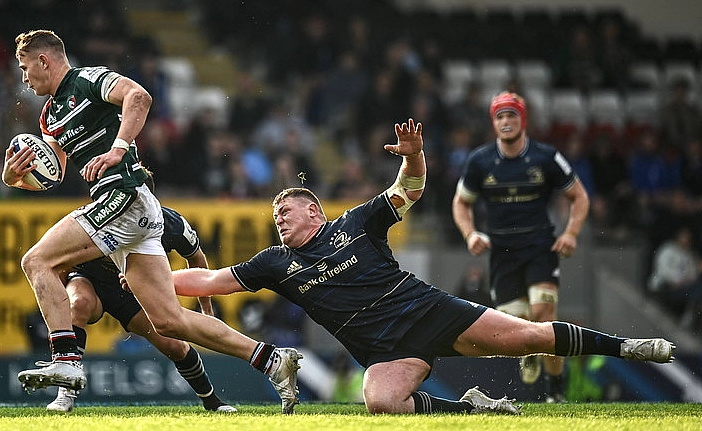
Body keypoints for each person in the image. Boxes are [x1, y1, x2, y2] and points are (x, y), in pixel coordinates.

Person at [154, 118, 674, 415]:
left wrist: (414, 156)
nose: (278, 219)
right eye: (274, 215)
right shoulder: (276, 262)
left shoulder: (355, 223)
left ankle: (630, 346)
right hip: (384, 351)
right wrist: (144, 277)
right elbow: (207, 280)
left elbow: (411, 190)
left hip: (429, 312)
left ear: (313, 209)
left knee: (529, 336)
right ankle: (473, 410)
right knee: (380, 402)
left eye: (284, 211)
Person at [0, 30, 301, 414]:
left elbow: (138, 96)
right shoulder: (51, 116)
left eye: (26, 68)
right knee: (171, 322)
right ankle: (272, 360)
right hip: (129, 211)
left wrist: (118, 149)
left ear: (44, 60)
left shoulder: (88, 79)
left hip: (123, 197)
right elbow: (53, 172)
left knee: (37, 261)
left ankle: (66, 362)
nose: (24, 78)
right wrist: (13, 177)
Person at [451, 92, 591, 403]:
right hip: (502, 254)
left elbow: (579, 196)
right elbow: (461, 202)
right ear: (493, 122)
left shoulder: (546, 157)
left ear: (523, 120)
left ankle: (555, 390)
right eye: (500, 116)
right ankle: (529, 353)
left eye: (512, 115)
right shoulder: (480, 161)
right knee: (514, 329)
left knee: (543, 315)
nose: (506, 122)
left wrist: (571, 233)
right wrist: (470, 234)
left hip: (540, 247)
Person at [46, 204, 237, 413]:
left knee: (175, 346)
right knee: (79, 304)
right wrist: (60, 301)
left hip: (132, 289)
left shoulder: (170, 223)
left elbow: (196, 257)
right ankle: (65, 394)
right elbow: (62, 258)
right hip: (89, 279)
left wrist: (206, 308)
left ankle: (211, 399)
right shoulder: (98, 214)